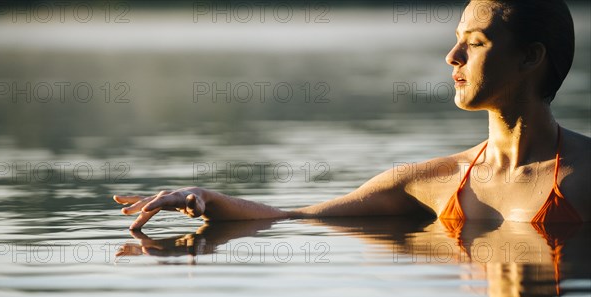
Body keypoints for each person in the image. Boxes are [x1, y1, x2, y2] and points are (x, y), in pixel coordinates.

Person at [114, 0, 590, 231]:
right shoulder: (437, 181)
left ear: (530, 59)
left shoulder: (585, 176)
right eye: (457, 38)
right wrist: (207, 198)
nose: (452, 56)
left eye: (476, 43)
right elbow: (294, 216)